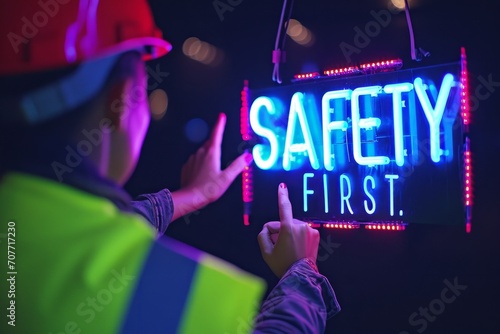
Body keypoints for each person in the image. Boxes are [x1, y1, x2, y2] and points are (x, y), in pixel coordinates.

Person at [0, 0, 340, 333]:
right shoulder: (169, 293)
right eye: (145, 90)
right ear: (120, 99)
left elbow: (72, 232)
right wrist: (302, 272)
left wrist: (187, 197)